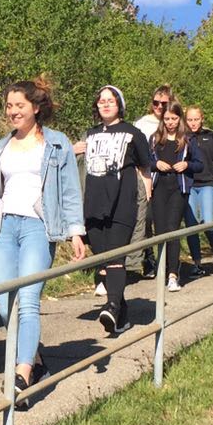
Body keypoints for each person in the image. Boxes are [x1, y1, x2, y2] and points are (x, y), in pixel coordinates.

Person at [0, 78, 86, 404]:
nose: (12, 111)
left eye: (19, 105)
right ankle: (36, 361)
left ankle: (21, 374)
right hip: (5, 229)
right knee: (6, 304)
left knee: (28, 300)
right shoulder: (0, 147)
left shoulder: (56, 144)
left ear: (36, 107)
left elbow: (70, 189)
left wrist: (76, 230)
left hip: (37, 228)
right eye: (9, 106)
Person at [76, 86, 153, 334]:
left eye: (111, 101)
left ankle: (111, 306)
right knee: (104, 258)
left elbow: (145, 166)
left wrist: (147, 191)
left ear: (120, 105)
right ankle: (121, 314)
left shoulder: (133, 133)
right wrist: (71, 150)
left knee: (116, 257)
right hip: (93, 206)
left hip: (122, 204)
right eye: (101, 101)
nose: (106, 104)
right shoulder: (90, 134)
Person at [149, 102, 203, 292]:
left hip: (178, 189)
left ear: (179, 119)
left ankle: (173, 274)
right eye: (167, 119)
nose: (170, 122)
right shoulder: (155, 139)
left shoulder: (188, 139)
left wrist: (186, 165)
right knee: (160, 231)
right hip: (159, 188)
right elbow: (145, 161)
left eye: (174, 118)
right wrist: (156, 165)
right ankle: (162, 268)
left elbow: (199, 164)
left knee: (172, 229)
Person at [129, 86, 174, 277]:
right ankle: (148, 259)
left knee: (167, 223)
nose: (159, 106)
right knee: (145, 220)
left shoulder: (174, 121)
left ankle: (170, 263)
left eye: (164, 103)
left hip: (168, 180)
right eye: (156, 102)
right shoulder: (142, 124)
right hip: (144, 177)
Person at [183, 106, 213, 274]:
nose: (193, 123)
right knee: (191, 225)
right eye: (190, 120)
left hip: (207, 183)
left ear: (202, 119)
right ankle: (197, 263)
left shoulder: (211, 137)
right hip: (189, 185)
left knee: (208, 222)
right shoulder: (182, 137)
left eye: (196, 119)